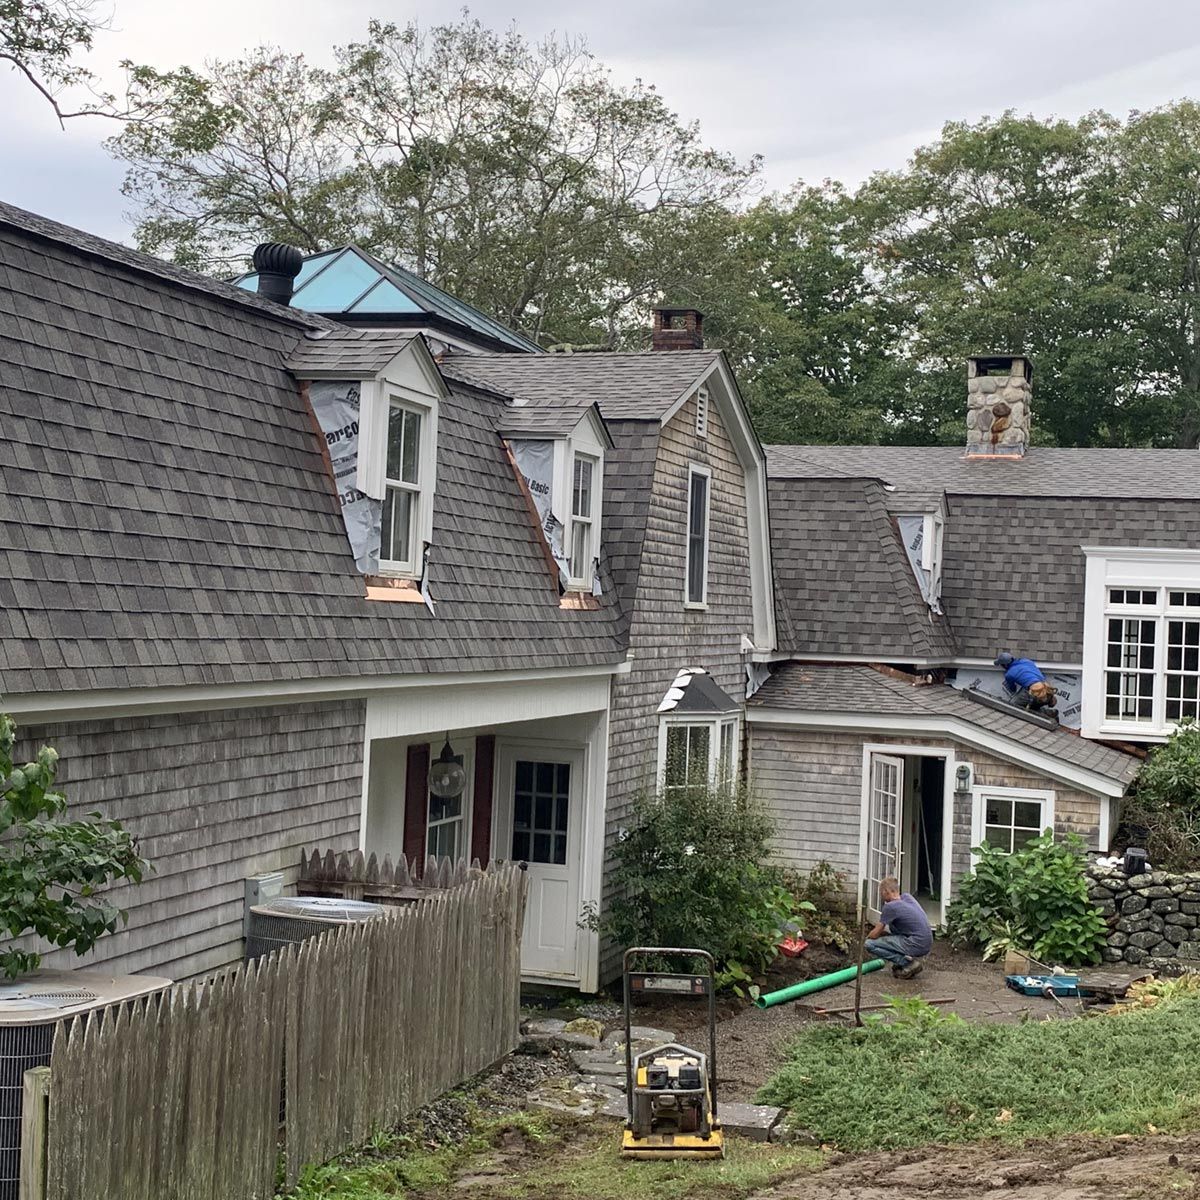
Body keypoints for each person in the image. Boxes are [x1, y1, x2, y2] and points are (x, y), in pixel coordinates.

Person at [865, 877, 933, 979]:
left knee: (869, 944)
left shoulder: (890, 907)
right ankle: (903, 960)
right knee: (893, 926)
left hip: (916, 943)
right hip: (927, 942)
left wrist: (866, 938)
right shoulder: (907, 897)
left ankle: (907, 963)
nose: (880, 895)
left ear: (886, 891)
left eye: (881, 892)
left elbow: (875, 934)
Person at [993, 651, 1059, 719]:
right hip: (1047, 689)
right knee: (1032, 703)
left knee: (1013, 705)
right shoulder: (1026, 661)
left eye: (1001, 665)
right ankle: (1050, 710)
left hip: (1034, 691)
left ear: (1005, 665)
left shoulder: (1009, 674)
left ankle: (1045, 715)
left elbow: (1013, 689)